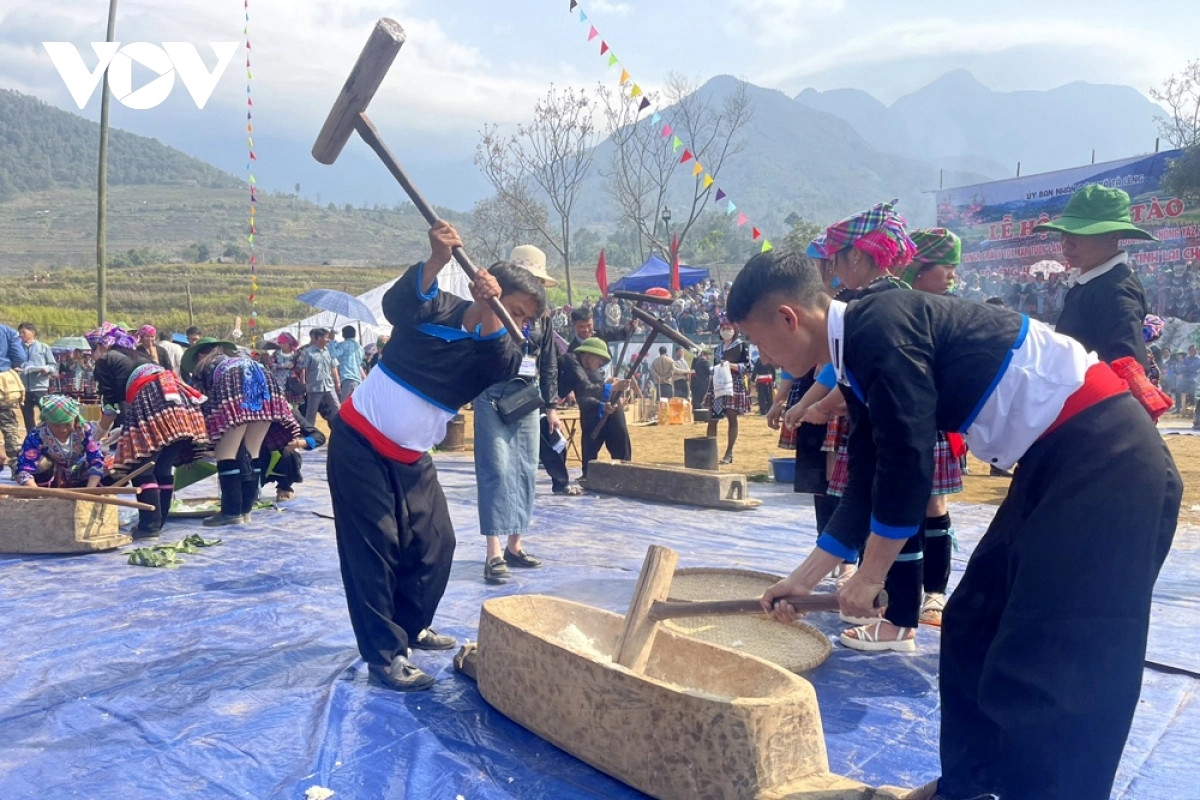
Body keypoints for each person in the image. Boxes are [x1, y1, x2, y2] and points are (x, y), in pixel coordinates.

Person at [732, 249, 1179, 800]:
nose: (764, 357)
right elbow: (871, 472)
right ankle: (966, 788)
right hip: (1055, 462)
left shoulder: (881, 328)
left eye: (757, 342)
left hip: (1106, 458)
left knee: (1053, 659)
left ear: (786, 318)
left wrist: (870, 578)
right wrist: (803, 579)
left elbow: (908, 465)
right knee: (973, 621)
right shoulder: (858, 351)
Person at [326, 221, 537, 692]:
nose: (519, 325)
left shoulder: (502, 352)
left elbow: (488, 357)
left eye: (524, 319)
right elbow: (397, 306)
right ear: (492, 289)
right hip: (359, 442)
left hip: (411, 455)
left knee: (436, 544)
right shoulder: (436, 306)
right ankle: (385, 656)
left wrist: (492, 314)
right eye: (516, 312)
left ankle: (412, 624)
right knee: (374, 549)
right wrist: (438, 260)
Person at [473, 243, 556, 585]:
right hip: (492, 393)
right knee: (495, 470)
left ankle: (515, 546)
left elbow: (548, 360)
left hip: (526, 396)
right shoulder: (491, 306)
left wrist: (551, 405)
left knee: (524, 470)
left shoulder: (542, 316)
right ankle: (493, 552)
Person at [89, 322, 209, 537]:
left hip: (153, 400)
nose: (93, 355)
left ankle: (148, 526)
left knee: (141, 468)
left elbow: (110, 407)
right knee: (161, 468)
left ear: (102, 346)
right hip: (179, 401)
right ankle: (157, 524)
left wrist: (96, 437)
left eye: (93, 350)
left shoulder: (106, 360)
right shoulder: (138, 356)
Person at [182, 337, 300, 527]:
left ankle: (231, 512)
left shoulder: (205, 366)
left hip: (235, 385)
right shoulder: (242, 358)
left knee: (225, 454)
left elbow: (198, 402)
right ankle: (246, 510)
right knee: (252, 452)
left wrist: (193, 446)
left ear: (201, 354)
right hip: (264, 382)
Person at [1035, 184, 1152, 367]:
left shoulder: (1115, 291)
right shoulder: (1091, 282)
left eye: (1079, 233)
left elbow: (1130, 369)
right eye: (1064, 233)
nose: (1066, 243)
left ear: (1113, 237)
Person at [558, 337, 632, 478]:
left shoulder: (594, 371)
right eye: (599, 360)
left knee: (619, 439)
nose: (601, 364)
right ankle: (588, 474)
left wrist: (607, 397)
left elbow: (598, 389)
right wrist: (610, 388)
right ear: (588, 355)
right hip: (592, 412)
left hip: (608, 410)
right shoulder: (572, 362)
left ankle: (625, 472)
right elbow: (585, 391)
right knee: (590, 444)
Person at [14, 394, 105, 488]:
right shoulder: (37, 435)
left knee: (109, 468)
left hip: (80, 478)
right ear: (47, 421)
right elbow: (24, 469)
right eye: (56, 425)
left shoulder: (86, 430)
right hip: (50, 483)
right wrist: (37, 493)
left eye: (67, 424)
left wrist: (89, 492)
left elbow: (96, 461)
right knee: (43, 463)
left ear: (75, 419)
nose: (63, 430)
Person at [702, 318, 751, 464]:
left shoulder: (741, 346)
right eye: (723, 327)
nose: (725, 330)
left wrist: (732, 366)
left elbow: (748, 368)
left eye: (728, 327)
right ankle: (710, 453)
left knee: (732, 417)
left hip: (733, 385)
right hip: (717, 385)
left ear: (735, 329)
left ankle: (729, 454)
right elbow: (715, 366)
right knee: (713, 418)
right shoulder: (717, 349)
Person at [256, 406, 325, 502]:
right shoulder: (245, 410)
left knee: (288, 453)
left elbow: (319, 437)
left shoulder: (287, 410)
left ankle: (284, 486)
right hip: (252, 460)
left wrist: (299, 443)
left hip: (277, 458)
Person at [297, 328, 341, 426]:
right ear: (318, 338)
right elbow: (303, 368)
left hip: (329, 386)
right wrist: (303, 382)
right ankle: (310, 433)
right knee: (311, 413)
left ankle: (337, 428)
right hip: (314, 387)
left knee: (337, 408)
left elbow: (333, 368)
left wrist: (337, 383)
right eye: (326, 337)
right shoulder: (308, 352)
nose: (328, 339)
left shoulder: (329, 351)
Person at [17, 322, 55, 434]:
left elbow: (53, 366)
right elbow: (14, 363)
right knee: (27, 417)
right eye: (19, 332)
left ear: (32, 332)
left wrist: (46, 370)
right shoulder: (17, 349)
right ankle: (31, 438)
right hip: (23, 388)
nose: (21, 334)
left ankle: (48, 435)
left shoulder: (43, 347)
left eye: (23, 332)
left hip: (40, 388)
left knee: (46, 414)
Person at [0, 323, 28, 476]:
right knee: (9, 427)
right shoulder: (7, 331)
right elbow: (19, 357)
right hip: (3, 383)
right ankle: (16, 467)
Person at [330, 325, 366, 401]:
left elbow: (333, 354)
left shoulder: (344, 345)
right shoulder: (360, 348)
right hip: (358, 379)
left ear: (343, 334)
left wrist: (331, 340)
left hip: (348, 378)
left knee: (345, 404)